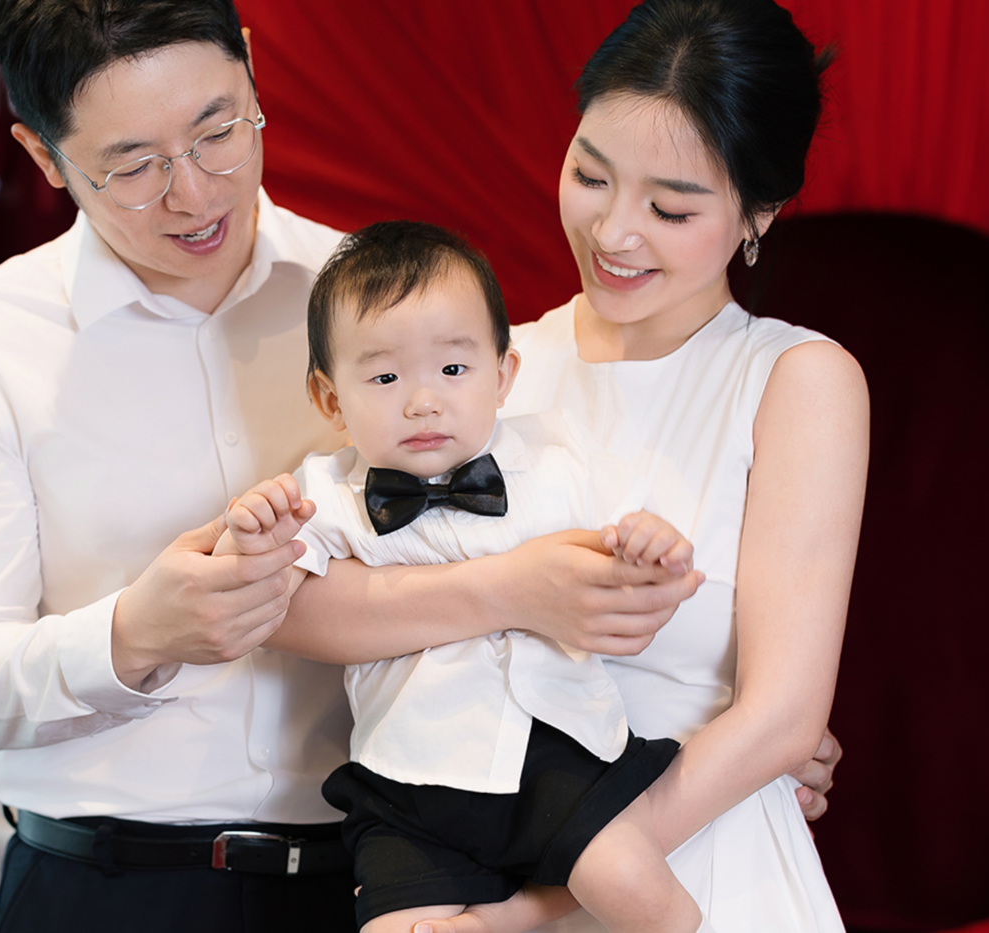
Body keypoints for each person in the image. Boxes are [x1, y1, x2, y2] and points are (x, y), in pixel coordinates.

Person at [0, 2, 752, 932]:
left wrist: (729, 727)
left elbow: (543, 551)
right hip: (104, 888)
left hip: (379, 874)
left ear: (251, 65)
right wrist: (133, 633)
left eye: (218, 131)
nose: (195, 193)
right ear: (42, 155)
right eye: (134, 167)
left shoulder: (390, 310)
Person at [271, 1, 867, 931]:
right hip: (469, 854)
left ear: (759, 211)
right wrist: (513, 589)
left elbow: (783, 720)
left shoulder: (797, 379)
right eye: (591, 175)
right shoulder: (475, 370)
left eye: (671, 208)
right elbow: (299, 598)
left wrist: (529, 911)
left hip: (695, 862)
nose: (614, 232)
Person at [221, 219, 717, 933]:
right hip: (408, 779)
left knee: (638, 890)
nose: (423, 401)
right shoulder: (322, 493)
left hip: (559, 751)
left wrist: (651, 545)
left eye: (453, 370)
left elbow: (628, 545)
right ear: (331, 400)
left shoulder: (558, 460)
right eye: (385, 377)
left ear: (503, 374)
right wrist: (254, 537)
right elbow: (268, 592)